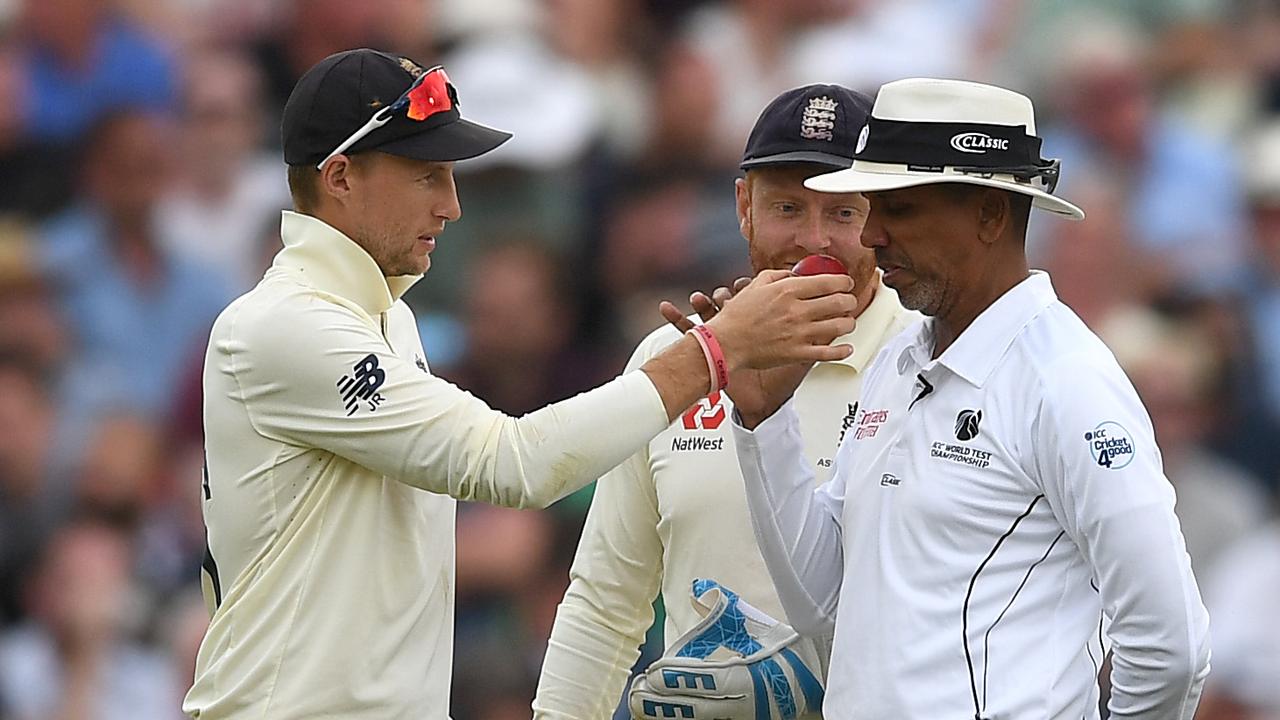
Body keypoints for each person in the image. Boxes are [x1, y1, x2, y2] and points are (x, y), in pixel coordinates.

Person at [183, 49, 860, 719]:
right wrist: (719, 349)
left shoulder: (388, 318)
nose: (451, 205)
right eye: (427, 175)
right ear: (340, 177)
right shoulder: (284, 326)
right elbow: (513, 463)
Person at [720, 78, 1210, 719]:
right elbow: (822, 604)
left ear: (989, 214)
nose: (871, 236)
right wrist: (764, 419)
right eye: (871, 207)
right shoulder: (901, 360)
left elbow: (1172, 648)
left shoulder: (1068, 383)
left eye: (900, 209)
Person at [534, 84, 918, 719]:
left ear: (880, 221)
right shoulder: (675, 359)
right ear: (743, 207)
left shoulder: (924, 361)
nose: (813, 242)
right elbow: (606, 599)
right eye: (788, 209)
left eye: (843, 214)